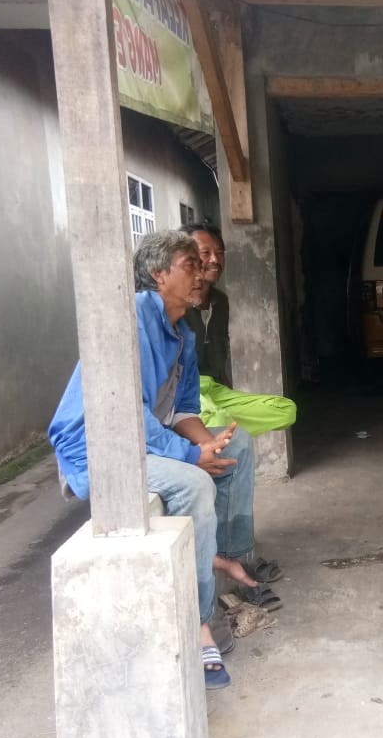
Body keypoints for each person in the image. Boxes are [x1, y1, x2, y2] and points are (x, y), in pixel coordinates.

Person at [49, 231, 262, 690]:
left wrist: (208, 446)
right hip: (100, 447)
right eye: (190, 265)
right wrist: (191, 456)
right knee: (193, 483)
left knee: (238, 447)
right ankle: (199, 625)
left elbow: (183, 410)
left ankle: (228, 558)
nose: (202, 273)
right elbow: (123, 411)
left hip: (142, 437)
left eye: (201, 265)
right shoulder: (134, 318)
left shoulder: (182, 333)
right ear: (157, 274)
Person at [181, 224, 294, 605]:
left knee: (284, 409)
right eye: (204, 253)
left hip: (214, 391)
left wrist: (229, 401)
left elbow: (220, 360)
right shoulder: (168, 305)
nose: (214, 260)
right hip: (186, 397)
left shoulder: (221, 301)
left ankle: (222, 418)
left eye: (219, 252)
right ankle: (238, 555)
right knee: (237, 444)